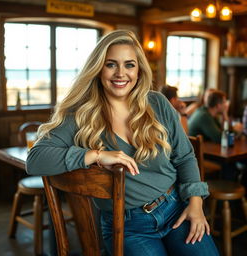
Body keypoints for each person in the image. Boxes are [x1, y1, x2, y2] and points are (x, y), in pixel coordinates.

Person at [26, 30, 219, 256]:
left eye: (129, 65)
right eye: (111, 64)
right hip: (128, 226)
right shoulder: (80, 114)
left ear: (139, 70)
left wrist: (195, 204)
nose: (121, 73)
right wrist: (95, 155)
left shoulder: (157, 103)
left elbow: (185, 157)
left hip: (177, 207)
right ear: (98, 69)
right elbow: (35, 160)